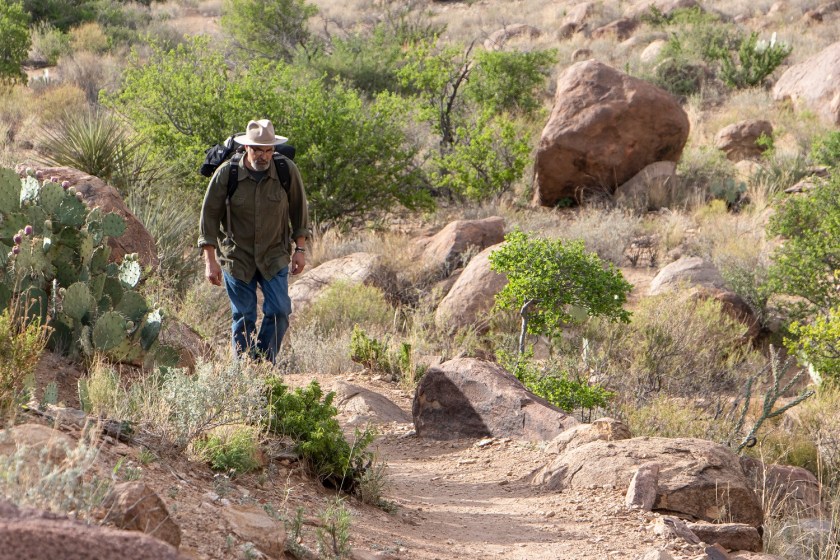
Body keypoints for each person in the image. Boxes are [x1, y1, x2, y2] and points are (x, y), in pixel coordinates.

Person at [198, 119, 310, 363]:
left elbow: (299, 211)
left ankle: (262, 365)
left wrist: (300, 249)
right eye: (258, 150)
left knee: (280, 311)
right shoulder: (227, 173)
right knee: (244, 316)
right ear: (247, 147)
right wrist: (210, 261)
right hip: (237, 256)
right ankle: (245, 372)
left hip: (274, 254)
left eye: (269, 150)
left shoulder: (286, 170)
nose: (264, 156)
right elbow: (209, 217)